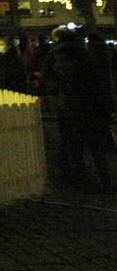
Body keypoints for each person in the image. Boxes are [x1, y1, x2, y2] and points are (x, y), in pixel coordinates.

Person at [42, 28, 113, 192]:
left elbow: (47, 78)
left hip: (66, 105)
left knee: (73, 144)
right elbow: (95, 81)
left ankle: (78, 179)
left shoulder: (53, 56)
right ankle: (105, 180)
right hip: (87, 105)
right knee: (95, 145)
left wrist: (59, 88)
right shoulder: (83, 55)